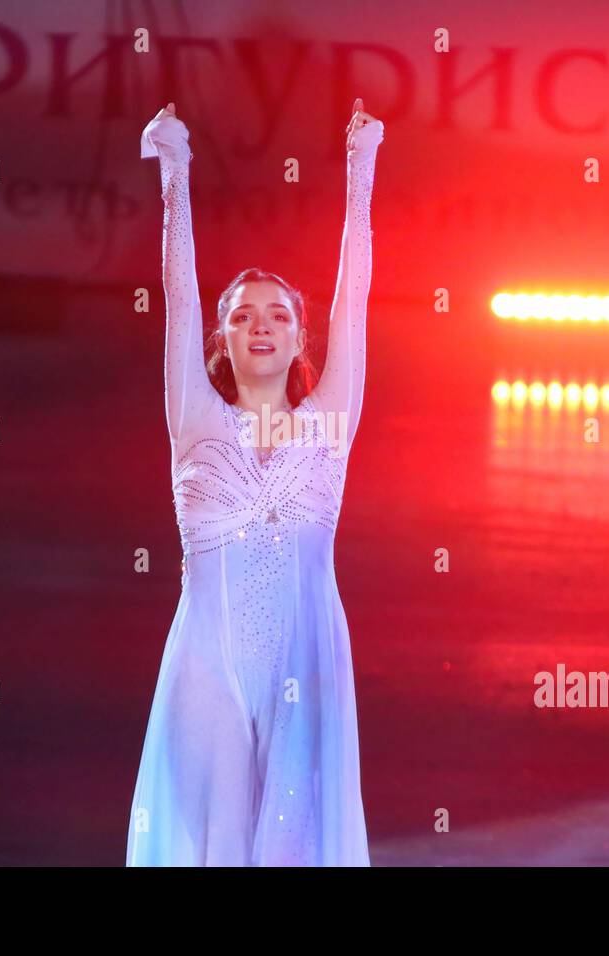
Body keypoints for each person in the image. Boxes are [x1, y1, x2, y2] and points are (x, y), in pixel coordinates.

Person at [127, 97, 383, 865]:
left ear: (301, 335)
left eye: (277, 314)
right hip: (207, 658)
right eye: (241, 316)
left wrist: (360, 167)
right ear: (221, 337)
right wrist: (175, 169)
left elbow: (356, 297)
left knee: (290, 847)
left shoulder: (330, 421)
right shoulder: (195, 417)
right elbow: (177, 291)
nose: (262, 324)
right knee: (217, 840)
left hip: (306, 656)